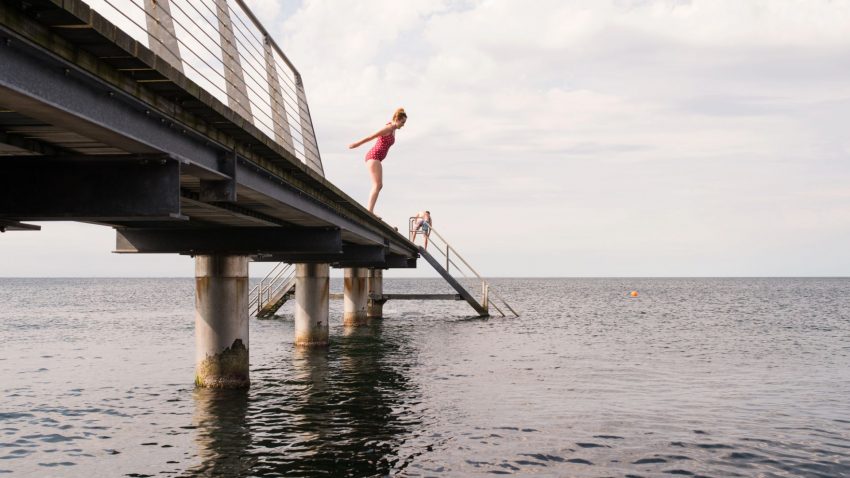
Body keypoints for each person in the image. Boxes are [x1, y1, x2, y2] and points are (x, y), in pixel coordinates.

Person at [348, 108, 408, 214]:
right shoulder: (388, 128)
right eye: (402, 122)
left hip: (377, 158)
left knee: (378, 185)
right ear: (397, 119)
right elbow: (371, 136)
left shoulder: (393, 129)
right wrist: (356, 144)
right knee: (378, 185)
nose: (403, 125)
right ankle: (369, 211)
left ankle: (370, 210)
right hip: (373, 156)